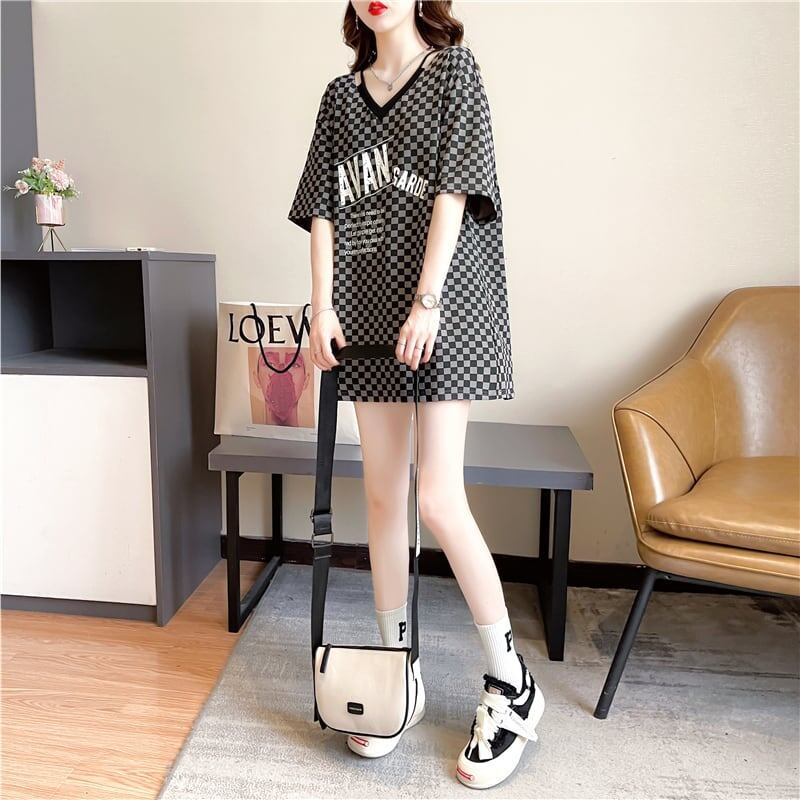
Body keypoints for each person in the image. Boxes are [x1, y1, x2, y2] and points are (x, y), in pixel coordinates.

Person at [287, 0, 544, 789]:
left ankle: (511, 680)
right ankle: (398, 663)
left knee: (436, 496)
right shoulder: (340, 97)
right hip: (366, 310)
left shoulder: (454, 73)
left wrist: (427, 301)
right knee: (379, 495)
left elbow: (455, 194)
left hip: (443, 307)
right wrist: (322, 307)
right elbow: (322, 209)